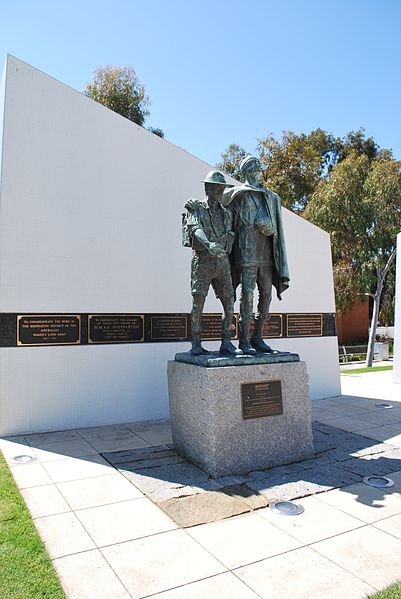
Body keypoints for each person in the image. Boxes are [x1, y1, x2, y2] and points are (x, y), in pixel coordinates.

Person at [223, 155, 290, 355]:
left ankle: (258, 336)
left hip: (266, 253)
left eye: (258, 165)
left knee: (267, 295)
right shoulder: (237, 195)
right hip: (246, 251)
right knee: (247, 295)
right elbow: (224, 216)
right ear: (245, 171)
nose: (257, 168)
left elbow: (276, 225)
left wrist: (271, 229)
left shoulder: (270, 197)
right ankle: (243, 341)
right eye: (253, 165)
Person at [183, 170, 241, 356]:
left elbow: (230, 234)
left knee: (229, 303)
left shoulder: (226, 214)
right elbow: (195, 228)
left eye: (221, 188)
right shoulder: (197, 208)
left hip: (222, 262)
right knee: (198, 303)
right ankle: (196, 343)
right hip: (203, 262)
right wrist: (208, 245)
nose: (219, 192)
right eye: (216, 188)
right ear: (207, 188)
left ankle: (226, 341)